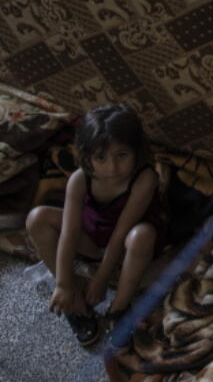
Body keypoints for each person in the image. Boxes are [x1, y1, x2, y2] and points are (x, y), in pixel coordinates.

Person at [25, 105, 164, 348]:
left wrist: (101, 278)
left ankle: (119, 309)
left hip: (128, 245)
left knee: (141, 235)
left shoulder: (145, 178)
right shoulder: (80, 179)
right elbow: (68, 234)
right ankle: (75, 303)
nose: (112, 168)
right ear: (87, 156)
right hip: (91, 238)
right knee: (37, 218)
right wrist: (63, 284)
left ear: (137, 151)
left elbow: (121, 231)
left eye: (122, 155)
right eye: (101, 158)